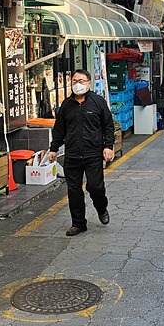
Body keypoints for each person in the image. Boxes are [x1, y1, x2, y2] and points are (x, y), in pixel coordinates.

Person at [48, 69, 114, 236]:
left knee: (95, 187)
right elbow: (59, 129)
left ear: (89, 83)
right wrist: (53, 149)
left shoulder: (98, 102)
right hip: (72, 154)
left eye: (82, 81)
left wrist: (108, 146)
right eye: (75, 81)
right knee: (74, 191)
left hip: (93, 154)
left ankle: (101, 207)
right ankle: (78, 223)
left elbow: (108, 126)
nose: (78, 84)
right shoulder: (66, 105)